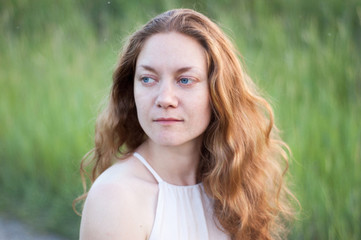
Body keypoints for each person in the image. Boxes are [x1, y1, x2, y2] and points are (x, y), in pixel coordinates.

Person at [75, 8, 295, 240]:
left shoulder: (233, 184)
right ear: (131, 90)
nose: (165, 99)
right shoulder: (116, 197)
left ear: (218, 91)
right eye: (148, 79)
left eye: (185, 80)